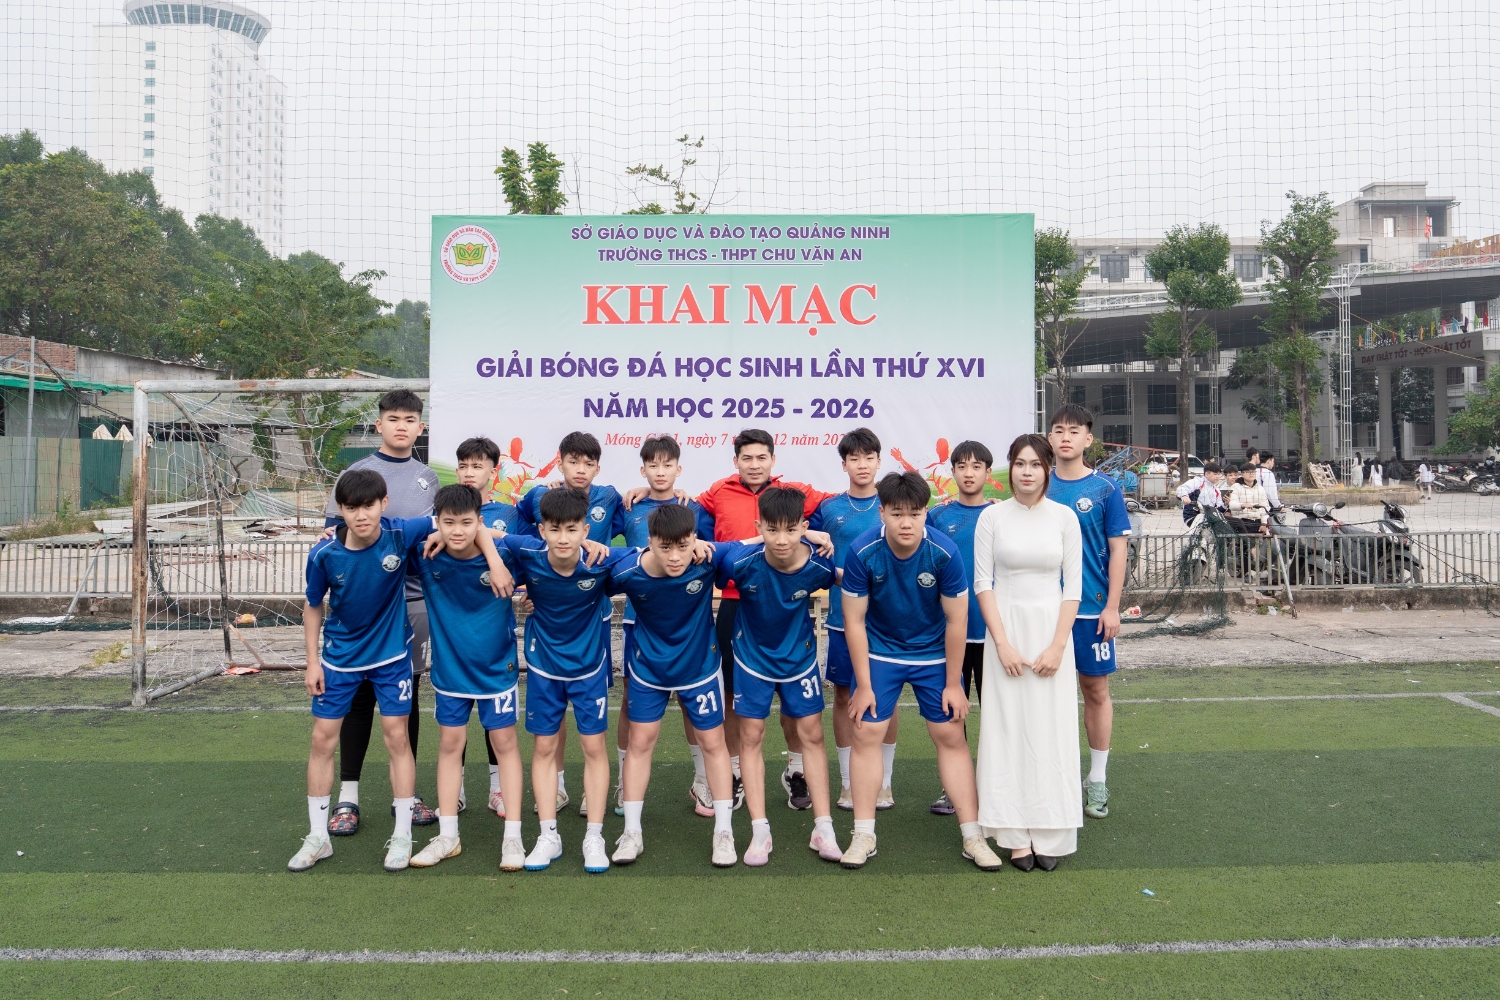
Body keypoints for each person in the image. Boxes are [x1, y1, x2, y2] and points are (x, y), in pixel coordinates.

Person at [290, 470, 509, 873]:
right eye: (351, 508)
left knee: (397, 737)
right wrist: (312, 661)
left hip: (392, 657)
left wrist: (492, 558)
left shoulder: (401, 532)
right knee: (322, 739)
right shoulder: (323, 553)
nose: (361, 515)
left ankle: (403, 835)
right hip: (339, 660)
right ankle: (318, 837)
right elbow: (313, 604)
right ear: (340, 511)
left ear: (384, 504)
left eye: (368, 506)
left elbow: (467, 525)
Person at [838, 471, 1003, 871]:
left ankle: (972, 836)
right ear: (882, 512)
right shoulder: (862, 551)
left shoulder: (944, 552)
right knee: (867, 732)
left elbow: (957, 621)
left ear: (926, 513)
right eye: (897, 514)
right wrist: (863, 685)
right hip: (881, 652)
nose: (906, 523)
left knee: (950, 734)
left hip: (933, 654)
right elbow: (854, 622)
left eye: (914, 513)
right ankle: (863, 834)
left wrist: (953, 683)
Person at [689, 429, 834, 813]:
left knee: (792, 697)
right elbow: (691, 523)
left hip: (784, 603)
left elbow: (838, 505)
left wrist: (811, 530)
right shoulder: (717, 493)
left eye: (761, 457)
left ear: (773, 460)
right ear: (735, 461)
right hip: (736, 603)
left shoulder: (793, 493)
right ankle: (735, 772)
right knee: (732, 695)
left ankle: (797, 769)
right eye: (747, 458)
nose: (754, 465)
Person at [322, 390, 439, 836]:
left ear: (420, 427)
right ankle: (347, 797)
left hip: (412, 604)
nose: (401, 426)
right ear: (379, 425)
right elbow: (332, 539)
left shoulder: (429, 478)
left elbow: (441, 533)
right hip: (362, 606)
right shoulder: (355, 475)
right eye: (393, 419)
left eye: (410, 420)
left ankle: (405, 798)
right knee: (357, 700)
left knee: (404, 701)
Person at [973, 434, 1084, 871]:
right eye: (1019, 463)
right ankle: (1014, 834)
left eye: (1035, 464)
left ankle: (1051, 831)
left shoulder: (1065, 518)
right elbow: (983, 583)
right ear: (1010, 468)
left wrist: (1057, 646)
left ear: (1048, 469)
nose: (1026, 472)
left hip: (1052, 633)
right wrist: (1001, 643)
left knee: (1051, 728)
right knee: (1007, 729)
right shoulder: (992, 517)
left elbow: (1073, 587)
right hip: (1005, 635)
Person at [715, 487, 841, 865]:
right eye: (772, 530)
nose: (782, 540)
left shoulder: (819, 565)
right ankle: (760, 831)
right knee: (751, 736)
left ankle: (824, 828)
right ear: (759, 527)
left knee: (812, 734)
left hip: (799, 659)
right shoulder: (741, 562)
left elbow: (850, 580)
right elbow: (707, 553)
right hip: (752, 660)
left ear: (803, 526)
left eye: (791, 530)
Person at [607, 504, 738, 867]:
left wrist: (809, 534)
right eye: (665, 547)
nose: (676, 556)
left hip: (700, 669)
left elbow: (760, 544)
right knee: (640, 742)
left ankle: (724, 832)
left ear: (694, 539)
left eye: (683, 545)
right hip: (648, 670)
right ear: (650, 542)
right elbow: (577, 559)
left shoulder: (708, 558)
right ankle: (632, 832)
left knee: (714, 743)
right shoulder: (627, 569)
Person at [405, 485, 527, 870]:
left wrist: (494, 555)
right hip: (451, 672)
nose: (457, 531)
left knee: (504, 743)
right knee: (449, 744)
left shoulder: (507, 556)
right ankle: (448, 836)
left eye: (466, 522)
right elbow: (383, 533)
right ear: (437, 523)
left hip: (497, 671)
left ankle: (513, 837)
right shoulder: (426, 555)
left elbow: (552, 552)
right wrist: (335, 532)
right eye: (448, 523)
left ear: (480, 522)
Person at [499, 489, 616, 872]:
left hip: (589, 669)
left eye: (571, 529)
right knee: (545, 747)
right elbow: (486, 533)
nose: (563, 538)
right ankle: (548, 835)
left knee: (593, 746)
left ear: (585, 530)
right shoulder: (529, 552)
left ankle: (594, 836)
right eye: (554, 529)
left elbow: (654, 555)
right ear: (541, 530)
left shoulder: (602, 560)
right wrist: (501, 569)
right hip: (544, 668)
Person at [517, 431, 627, 817]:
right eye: (573, 462)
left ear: (598, 467)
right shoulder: (539, 497)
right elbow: (519, 534)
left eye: (588, 463)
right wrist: (528, 585)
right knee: (553, 710)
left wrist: (643, 492)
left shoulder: (610, 497)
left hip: (593, 619)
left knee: (589, 717)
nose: (580, 469)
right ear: (560, 462)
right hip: (551, 616)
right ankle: (558, 785)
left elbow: (637, 531)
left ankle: (596, 792)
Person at [615, 435, 715, 818]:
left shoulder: (693, 508)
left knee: (693, 702)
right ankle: (625, 782)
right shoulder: (629, 506)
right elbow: (599, 543)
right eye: (653, 466)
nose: (660, 472)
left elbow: (712, 548)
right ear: (642, 470)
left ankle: (703, 780)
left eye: (667, 465)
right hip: (639, 620)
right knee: (631, 700)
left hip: (687, 624)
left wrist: (702, 543)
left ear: (679, 468)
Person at [1045, 406, 1129, 821]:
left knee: (1094, 691)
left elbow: (1118, 550)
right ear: (1049, 437)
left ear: (1087, 439)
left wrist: (1112, 606)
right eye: (1058, 430)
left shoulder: (1105, 489)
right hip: (1044, 610)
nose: (1066, 437)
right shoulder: (1037, 485)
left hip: (1091, 612)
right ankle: (1049, 779)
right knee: (1044, 694)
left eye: (1074, 431)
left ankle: (1097, 779)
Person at [807, 428, 891, 813]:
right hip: (843, 619)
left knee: (885, 697)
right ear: (844, 465)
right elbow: (799, 534)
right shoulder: (829, 508)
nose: (862, 464)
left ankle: (884, 783)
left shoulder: (892, 504)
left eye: (868, 457)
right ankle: (846, 781)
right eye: (854, 458)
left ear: (878, 461)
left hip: (887, 622)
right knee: (843, 695)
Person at [925, 440, 998, 815]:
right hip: (949, 635)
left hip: (992, 633)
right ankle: (953, 788)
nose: (969, 473)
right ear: (952, 472)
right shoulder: (937, 517)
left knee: (996, 713)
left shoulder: (1002, 515)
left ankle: (994, 787)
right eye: (962, 467)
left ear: (988, 472)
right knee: (952, 711)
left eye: (976, 466)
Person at [453, 436, 523, 818]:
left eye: (477, 466)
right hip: (454, 633)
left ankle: (498, 788)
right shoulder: (444, 511)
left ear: (493, 472)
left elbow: (530, 550)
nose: (469, 472)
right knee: (454, 721)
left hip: (496, 633)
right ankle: (456, 788)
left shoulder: (509, 513)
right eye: (463, 465)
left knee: (495, 721)